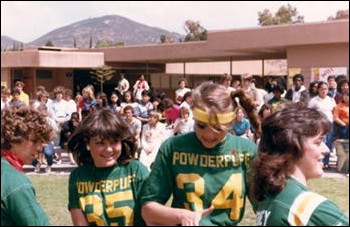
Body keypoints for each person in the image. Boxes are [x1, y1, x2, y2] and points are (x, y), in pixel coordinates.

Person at [140, 81, 260, 226]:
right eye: (201, 126)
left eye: (217, 128)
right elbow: (147, 209)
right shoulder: (173, 147)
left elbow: (265, 207)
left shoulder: (247, 150)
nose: (208, 135)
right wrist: (181, 216)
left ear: (230, 123)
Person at [248, 106, 349, 226]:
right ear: (292, 147)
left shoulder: (268, 200)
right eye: (317, 142)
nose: (326, 149)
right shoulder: (311, 208)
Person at [67, 109, 149, 226]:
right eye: (100, 143)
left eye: (114, 141)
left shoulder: (136, 170)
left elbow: (152, 216)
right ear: (87, 143)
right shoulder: (78, 176)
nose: (109, 149)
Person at [1, 106, 54, 226]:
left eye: (42, 141)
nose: (40, 147)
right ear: (13, 139)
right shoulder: (15, 182)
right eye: (34, 141)